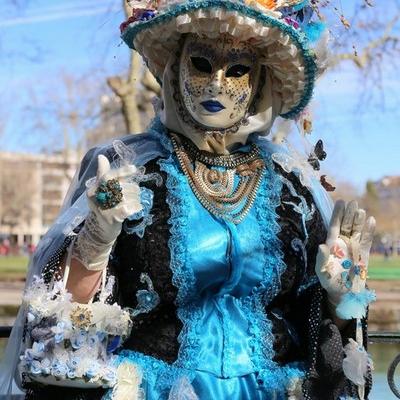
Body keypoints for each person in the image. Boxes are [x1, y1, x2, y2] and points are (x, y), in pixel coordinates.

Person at [0, 1, 376, 399]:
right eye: (200, 63)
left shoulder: (291, 187)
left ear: (260, 80)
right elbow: (65, 318)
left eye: (236, 71)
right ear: (174, 67)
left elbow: (315, 323)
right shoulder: (129, 168)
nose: (216, 84)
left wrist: (341, 295)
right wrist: (96, 238)